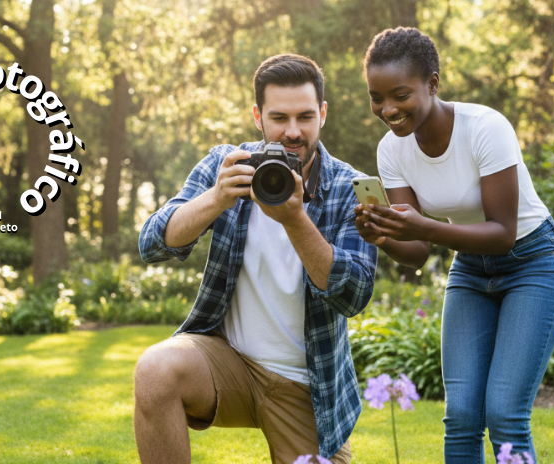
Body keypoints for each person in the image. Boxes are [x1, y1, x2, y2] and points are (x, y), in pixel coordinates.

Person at [135, 54, 377, 464]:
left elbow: (354, 295)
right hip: (227, 362)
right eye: (279, 118)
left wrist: (295, 219)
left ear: (322, 114)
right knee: (155, 369)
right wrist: (216, 198)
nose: (293, 131)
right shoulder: (228, 164)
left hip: (307, 386)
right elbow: (152, 243)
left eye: (305, 117)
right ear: (257, 117)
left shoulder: (350, 186)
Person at [355, 28, 554, 463]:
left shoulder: (485, 128)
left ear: (432, 83)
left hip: (534, 262)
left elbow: (502, 233)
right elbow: (418, 251)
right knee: (462, 417)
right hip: (471, 270)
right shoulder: (391, 150)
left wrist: (425, 227)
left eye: (400, 95)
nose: (388, 109)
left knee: (505, 413)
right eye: (377, 98)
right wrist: (383, 236)